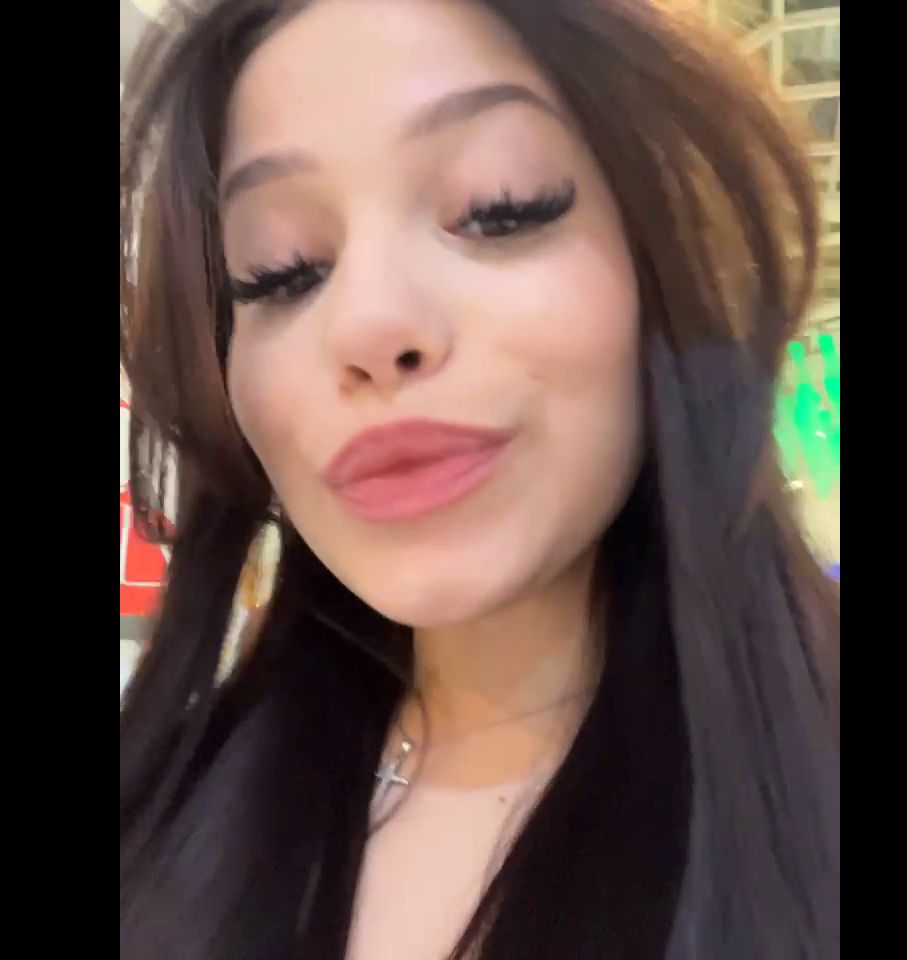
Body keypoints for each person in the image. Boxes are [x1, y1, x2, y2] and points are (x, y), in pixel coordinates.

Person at [119, 1, 840, 958]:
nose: (369, 325)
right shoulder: (171, 809)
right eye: (281, 272)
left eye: (502, 207)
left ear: (671, 259)